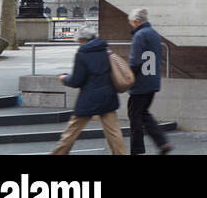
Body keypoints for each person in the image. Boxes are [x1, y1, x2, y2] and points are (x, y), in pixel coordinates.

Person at [50, 25, 127, 155]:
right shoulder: (105, 49)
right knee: (114, 133)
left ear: (82, 39)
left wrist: (64, 78)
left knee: (71, 132)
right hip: (107, 96)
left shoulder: (82, 53)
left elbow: (77, 80)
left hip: (89, 99)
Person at [127, 8, 171, 155]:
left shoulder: (139, 35)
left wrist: (128, 79)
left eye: (132, 23)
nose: (131, 26)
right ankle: (162, 143)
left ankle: (137, 150)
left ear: (137, 21)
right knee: (143, 114)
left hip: (140, 83)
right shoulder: (154, 34)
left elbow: (135, 61)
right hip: (152, 81)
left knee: (135, 116)